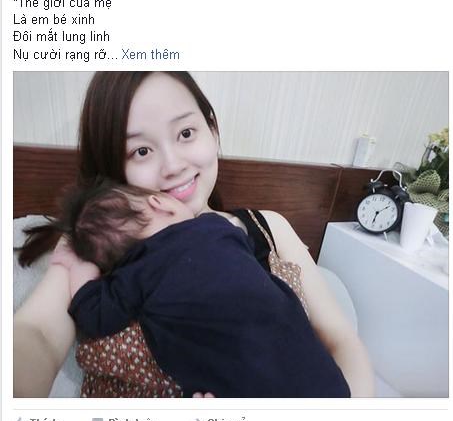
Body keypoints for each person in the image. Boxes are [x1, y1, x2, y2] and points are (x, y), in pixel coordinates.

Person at [14, 71, 374, 398]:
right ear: (112, 164)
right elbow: (37, 334)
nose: (173, 166)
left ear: (212, 129)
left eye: (185, 133)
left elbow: (341, 339)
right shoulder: (101, 239)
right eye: (141, 150)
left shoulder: (269, 226)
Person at [47, 181, 351, 398]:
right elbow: (246, 252)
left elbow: (93, 314)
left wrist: (80, 268)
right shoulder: (217, 227)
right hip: (325, 383)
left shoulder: (135, 275)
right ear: (159, 202)